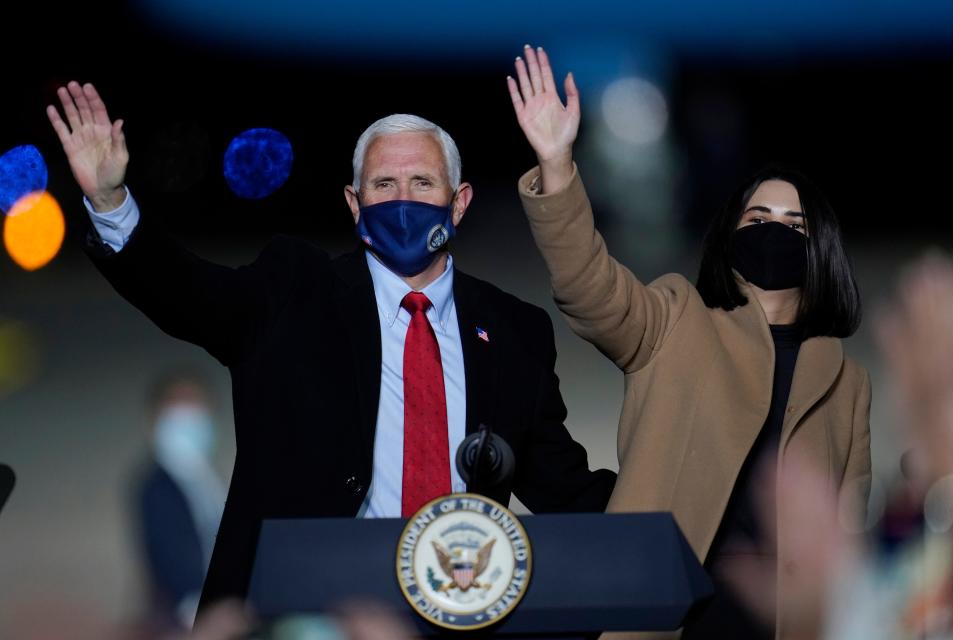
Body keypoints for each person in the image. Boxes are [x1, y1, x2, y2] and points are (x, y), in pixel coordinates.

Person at [46, 81, 615, 612]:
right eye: (383, 185)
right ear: (353, 202)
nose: (402, 201)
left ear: (459, 201)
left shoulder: (515, 329)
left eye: (422, 183)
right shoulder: (296, 291)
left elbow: (563, 485)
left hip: (462, 605)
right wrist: (112, 200)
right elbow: (188, 294)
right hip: (313, 611)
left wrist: (691, 510)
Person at [507, 45, 871, 639]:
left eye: (793, 223)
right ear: (729, 237)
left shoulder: (846, 379)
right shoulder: (677, 320)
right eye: (757, 219)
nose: (773, 231)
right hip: (669, 615)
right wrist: (556, 165)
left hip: (786, 622)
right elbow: (588, 284)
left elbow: (847, 530)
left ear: (821, 245)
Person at [133, 370, 227, 629]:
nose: (188, 419)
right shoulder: (156, 487)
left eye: (195, 405)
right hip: (190, 617)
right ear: (153, 421)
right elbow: (171, 557)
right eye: (177, 407)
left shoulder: (208, 480)